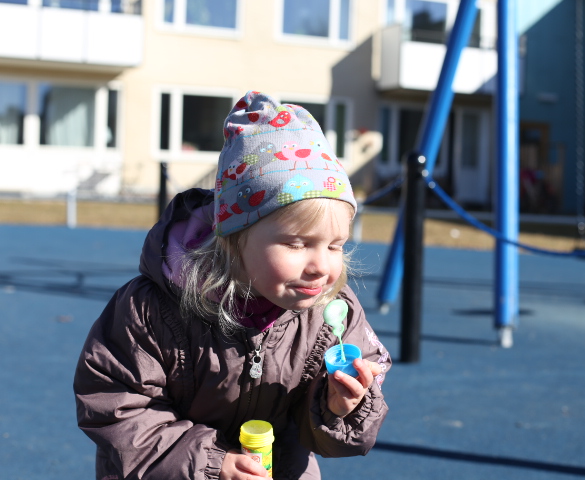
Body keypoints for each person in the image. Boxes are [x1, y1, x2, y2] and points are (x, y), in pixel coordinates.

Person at [73, 91, 391, 480]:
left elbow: (338, 431)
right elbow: (119, 406)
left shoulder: (331, 313)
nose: (321, 267)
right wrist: (212, 463)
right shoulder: (150, 310)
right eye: (296, 244)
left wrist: (339, 407)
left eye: (335, 245)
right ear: (234, 237)